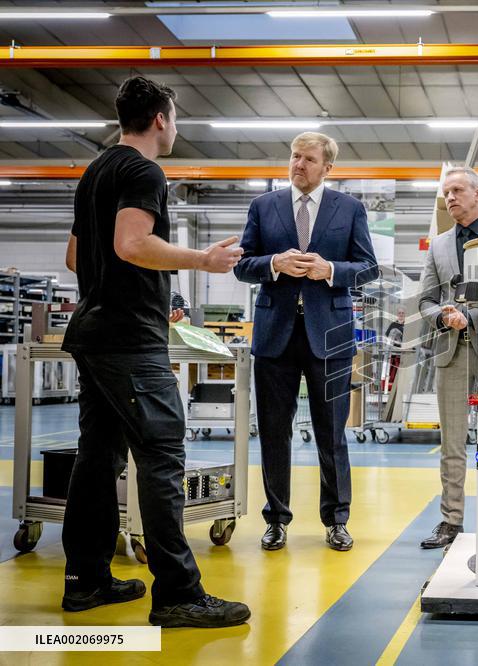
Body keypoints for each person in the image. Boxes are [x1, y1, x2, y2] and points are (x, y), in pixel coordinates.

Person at [61, 76, 250, 628]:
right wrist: (201, 262)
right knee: (162, 456)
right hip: (128, 340)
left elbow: (78, 257)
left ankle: (86, 580)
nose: (177, 126)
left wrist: (126, 283)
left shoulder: (97, 170)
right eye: (177, 116)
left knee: (97, 458)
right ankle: (177, 594)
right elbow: (131, 244)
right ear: (161, 118)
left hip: (93, 333)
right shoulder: (144, 171)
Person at [234, 132, 377, 552]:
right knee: (274, 433)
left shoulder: (349, 209)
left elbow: (368, 268)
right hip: (275, 335)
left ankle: (336, 519)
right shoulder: (264, 206)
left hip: (329, 338)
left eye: (309, 159)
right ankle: (276, 519)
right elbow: (243, 265)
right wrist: (274, 263)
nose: (299, 164)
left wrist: (330, 270)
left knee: (332, 433)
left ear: (327, 167)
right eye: (295, 157)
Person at [417, 166, 478, 549]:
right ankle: (450, 521)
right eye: (446, 192)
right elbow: (424, 300)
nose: (451, 198)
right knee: (453, 444)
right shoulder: (439, 246)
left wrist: (470, 316)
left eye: (458, 190)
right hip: (451, 355)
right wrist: (441, 314)